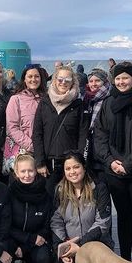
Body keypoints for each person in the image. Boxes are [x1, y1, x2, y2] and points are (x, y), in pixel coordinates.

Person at [95, 62, 132, 262]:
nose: (121, 82)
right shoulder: (108, 103)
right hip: (114, 171)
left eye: (125, 77)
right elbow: (99, 135)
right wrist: (110, 162)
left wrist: (129, 163)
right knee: (123, 219)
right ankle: (125, 261)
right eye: (118, 78)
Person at [50, 151, 113, 263]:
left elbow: (103, 223)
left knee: (99, 262)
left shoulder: (99, 188)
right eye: (68, 169)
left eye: (76, 167)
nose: (72, 172)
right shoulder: (60, 190)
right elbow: (56, 221)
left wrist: (81, 245)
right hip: (70, 244)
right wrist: (62, 247)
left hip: (96, 243)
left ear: (84, 167)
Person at [32, 65, 88, 194]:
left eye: (67, 80)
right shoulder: (44, 103)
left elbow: (83, 135)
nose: (63, 82)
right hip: (48, 163)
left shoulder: (78, 105)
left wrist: (80, 161)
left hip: (70, 164)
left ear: (73, 82)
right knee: (49, 201)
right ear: (55, 80)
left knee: (70, 202)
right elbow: (37, 133)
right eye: (60, 79)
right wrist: (40, 162)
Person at [7, 153, 53, 263]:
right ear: (16, 172)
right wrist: (26, 240)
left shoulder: (44, 195)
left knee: (45, 259)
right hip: (13, 238)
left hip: (34, 239)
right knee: (5, 251)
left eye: (30, 171)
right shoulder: (8, 194)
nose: (27, 175)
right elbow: (5, 226)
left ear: (36, 171)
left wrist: (29, 243)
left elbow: (47, 223)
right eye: (23, 171)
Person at [4, 64, 47, 173]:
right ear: (24, 79)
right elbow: (12, 128)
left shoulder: (46, 99)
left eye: (37, 76)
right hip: (24, 152)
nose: (33, 79)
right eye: (30, 76)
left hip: (45, 152)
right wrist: (32, 146)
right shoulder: (16, 99)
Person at [82, 68, 110, 179]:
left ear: (104, 82)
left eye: (97, 81)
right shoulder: (87, 98)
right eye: (91, 81)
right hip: (90, 147)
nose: (93, 84)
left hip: (104, 147)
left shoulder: (109, 98)